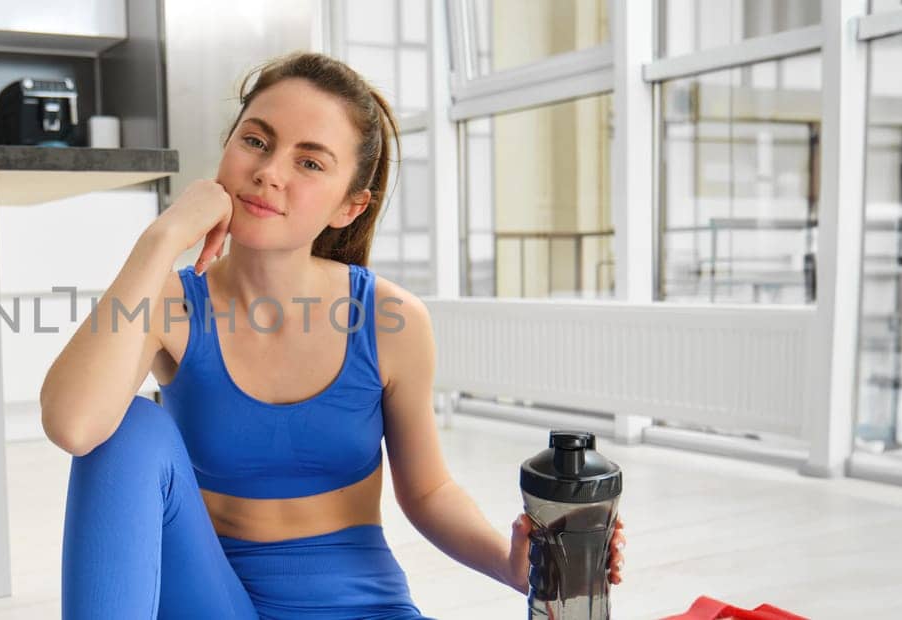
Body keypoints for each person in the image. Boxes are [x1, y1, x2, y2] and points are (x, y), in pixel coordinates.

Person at [39, 51, 626, 619]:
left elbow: (426, 492)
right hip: (213, 600)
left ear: (350, 206)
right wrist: (162, 237)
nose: (269, 172)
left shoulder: (391, 320)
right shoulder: (172, 302)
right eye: (256, 141)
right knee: (128, 425)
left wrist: (509, 564)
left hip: (361, 608)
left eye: (310, 162)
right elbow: (75, 424)